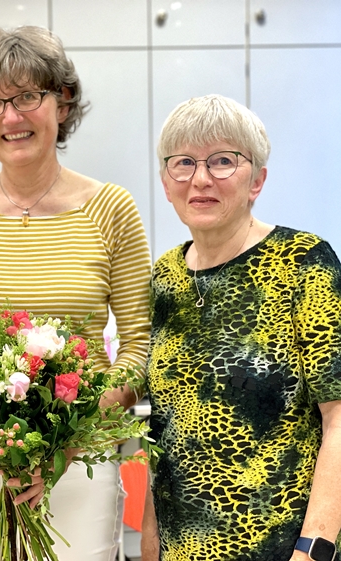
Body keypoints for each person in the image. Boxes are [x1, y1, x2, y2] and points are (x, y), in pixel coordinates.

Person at [0, 26, 151, 561]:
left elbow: (138, 347)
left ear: (62, 103)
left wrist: (62, 442)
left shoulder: (111, 210)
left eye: (26, 97)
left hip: (78, 463)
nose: (10, 117)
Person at [143, 94, 341, 561]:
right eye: (184, 163)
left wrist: (315, 547)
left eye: (223, 161)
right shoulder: (164, 276)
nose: (201, 178)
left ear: (257, 180)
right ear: (166, 182)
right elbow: (163, 432)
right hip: (179, 549)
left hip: (281, 547)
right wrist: (150, 543)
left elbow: (340, 415)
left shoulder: (304, 262)